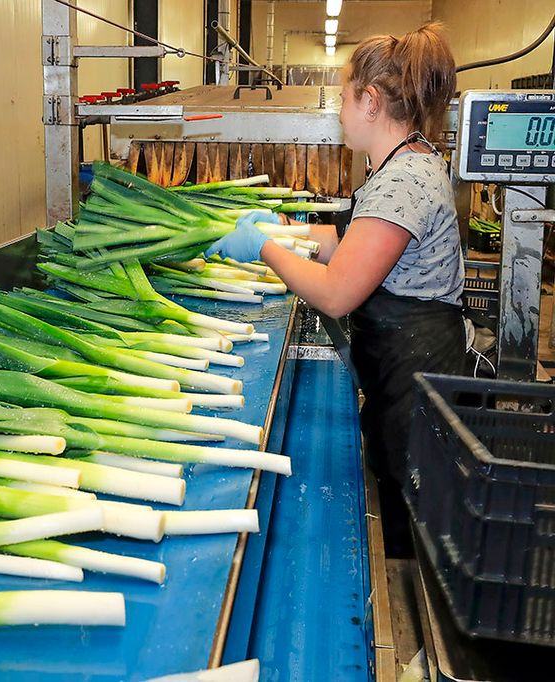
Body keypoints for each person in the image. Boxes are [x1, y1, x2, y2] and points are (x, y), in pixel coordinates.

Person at [207, 22, 465, 555]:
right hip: (406, 367)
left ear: (370, 102)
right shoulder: (405, 162)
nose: (339, 113)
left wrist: (263, 249)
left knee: (415, 526)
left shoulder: (403, 181)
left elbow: (336, 293)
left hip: (415, 377)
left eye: (343, 100)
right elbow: (351, 241)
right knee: (403, 500)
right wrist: (284, 229)